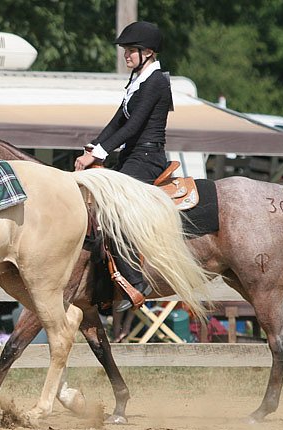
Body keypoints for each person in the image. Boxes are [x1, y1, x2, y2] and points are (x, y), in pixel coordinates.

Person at [74, 20, 173, 312]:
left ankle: (135, 281)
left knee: (113, 212)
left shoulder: (156, 82)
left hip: (147, 158)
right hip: (130, 156)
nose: (126, 55)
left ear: (149, 52)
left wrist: (100, 152)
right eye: (126, 50)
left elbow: (134, 126)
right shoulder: (137, 79)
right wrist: (94, 146)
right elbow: (118, 120)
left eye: (132, 50)